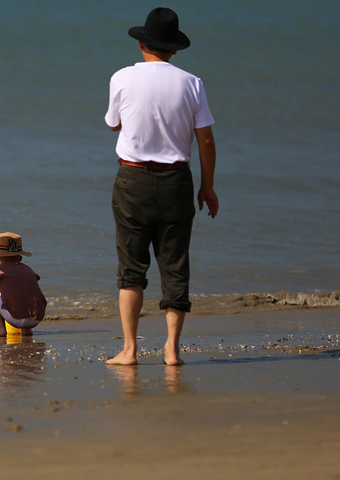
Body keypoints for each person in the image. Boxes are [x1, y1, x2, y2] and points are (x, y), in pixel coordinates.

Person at [104, 7, 218, 366]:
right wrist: (207, 187)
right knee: (174, 263)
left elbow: (113, 124)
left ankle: (130, 349)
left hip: (132, 178)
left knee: (131, 267)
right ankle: (171, 349)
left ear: (141, 43)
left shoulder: (121, 77)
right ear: (175, 49)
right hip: (177, 181)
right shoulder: (192, 83)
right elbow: (207, 142)